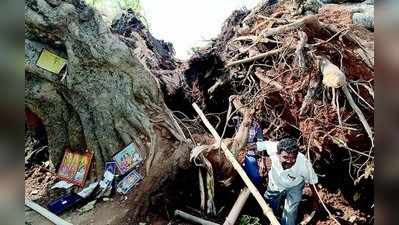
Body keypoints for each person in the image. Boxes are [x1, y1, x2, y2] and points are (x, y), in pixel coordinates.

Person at [250, 137, 319, 225]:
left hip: (295, 186)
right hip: (275, 182)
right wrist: (247, 148)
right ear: (277, 154)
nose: (289, 161)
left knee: (290, 211)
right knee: (271, 203)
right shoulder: (273, 147)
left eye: (292, 158)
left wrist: (316, 201)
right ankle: (270, 218)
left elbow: (313, 182)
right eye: (285, 157)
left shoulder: (304, 164)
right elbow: (259, 145)